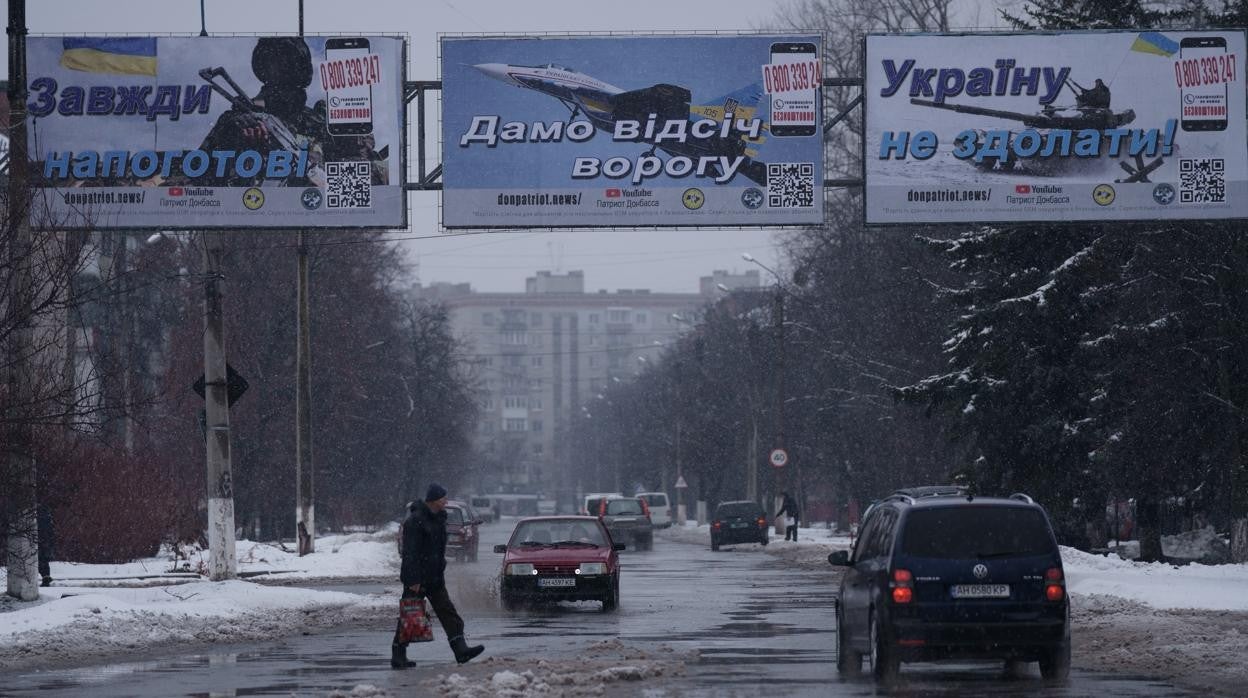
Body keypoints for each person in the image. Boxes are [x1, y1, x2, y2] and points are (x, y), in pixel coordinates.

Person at [392, 483, 485, 669]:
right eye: (443, 498)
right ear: (434, 500)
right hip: (416, 580)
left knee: (449, 613)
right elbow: (410, 553)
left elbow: (438, 549)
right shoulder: (415, 521)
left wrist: (440, 566)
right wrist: (413, 580)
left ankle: (460, 650)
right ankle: (398, 655)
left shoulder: (439, 520)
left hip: (435, 578)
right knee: (410, 617)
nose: (446, 501)